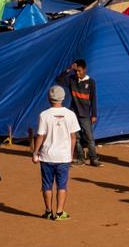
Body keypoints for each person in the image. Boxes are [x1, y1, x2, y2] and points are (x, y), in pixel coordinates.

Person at [33, 85, 79, 221]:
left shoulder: (44, 115)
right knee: (62, 185)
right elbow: (73, 137)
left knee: (47, 184)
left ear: (49, 98)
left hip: (47, 156)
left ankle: (48, 211)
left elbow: (40, 135)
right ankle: (59, 212)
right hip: (63, 157)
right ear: (63, 97)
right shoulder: (71, 115)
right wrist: (70, 154)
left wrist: (35, 152)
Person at [55, 58, 100, 166]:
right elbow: (58, 79)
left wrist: (93, 114)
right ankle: (80, 159)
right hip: (73, 114)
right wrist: (69, 69)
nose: (77, 73)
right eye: (76, 71)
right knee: (77, 138)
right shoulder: (71, 79)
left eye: (79, 71)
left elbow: (93, 99)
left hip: (85, 115)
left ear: (85, 69)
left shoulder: (91, 82)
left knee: (89, 137)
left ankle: (94, 159)